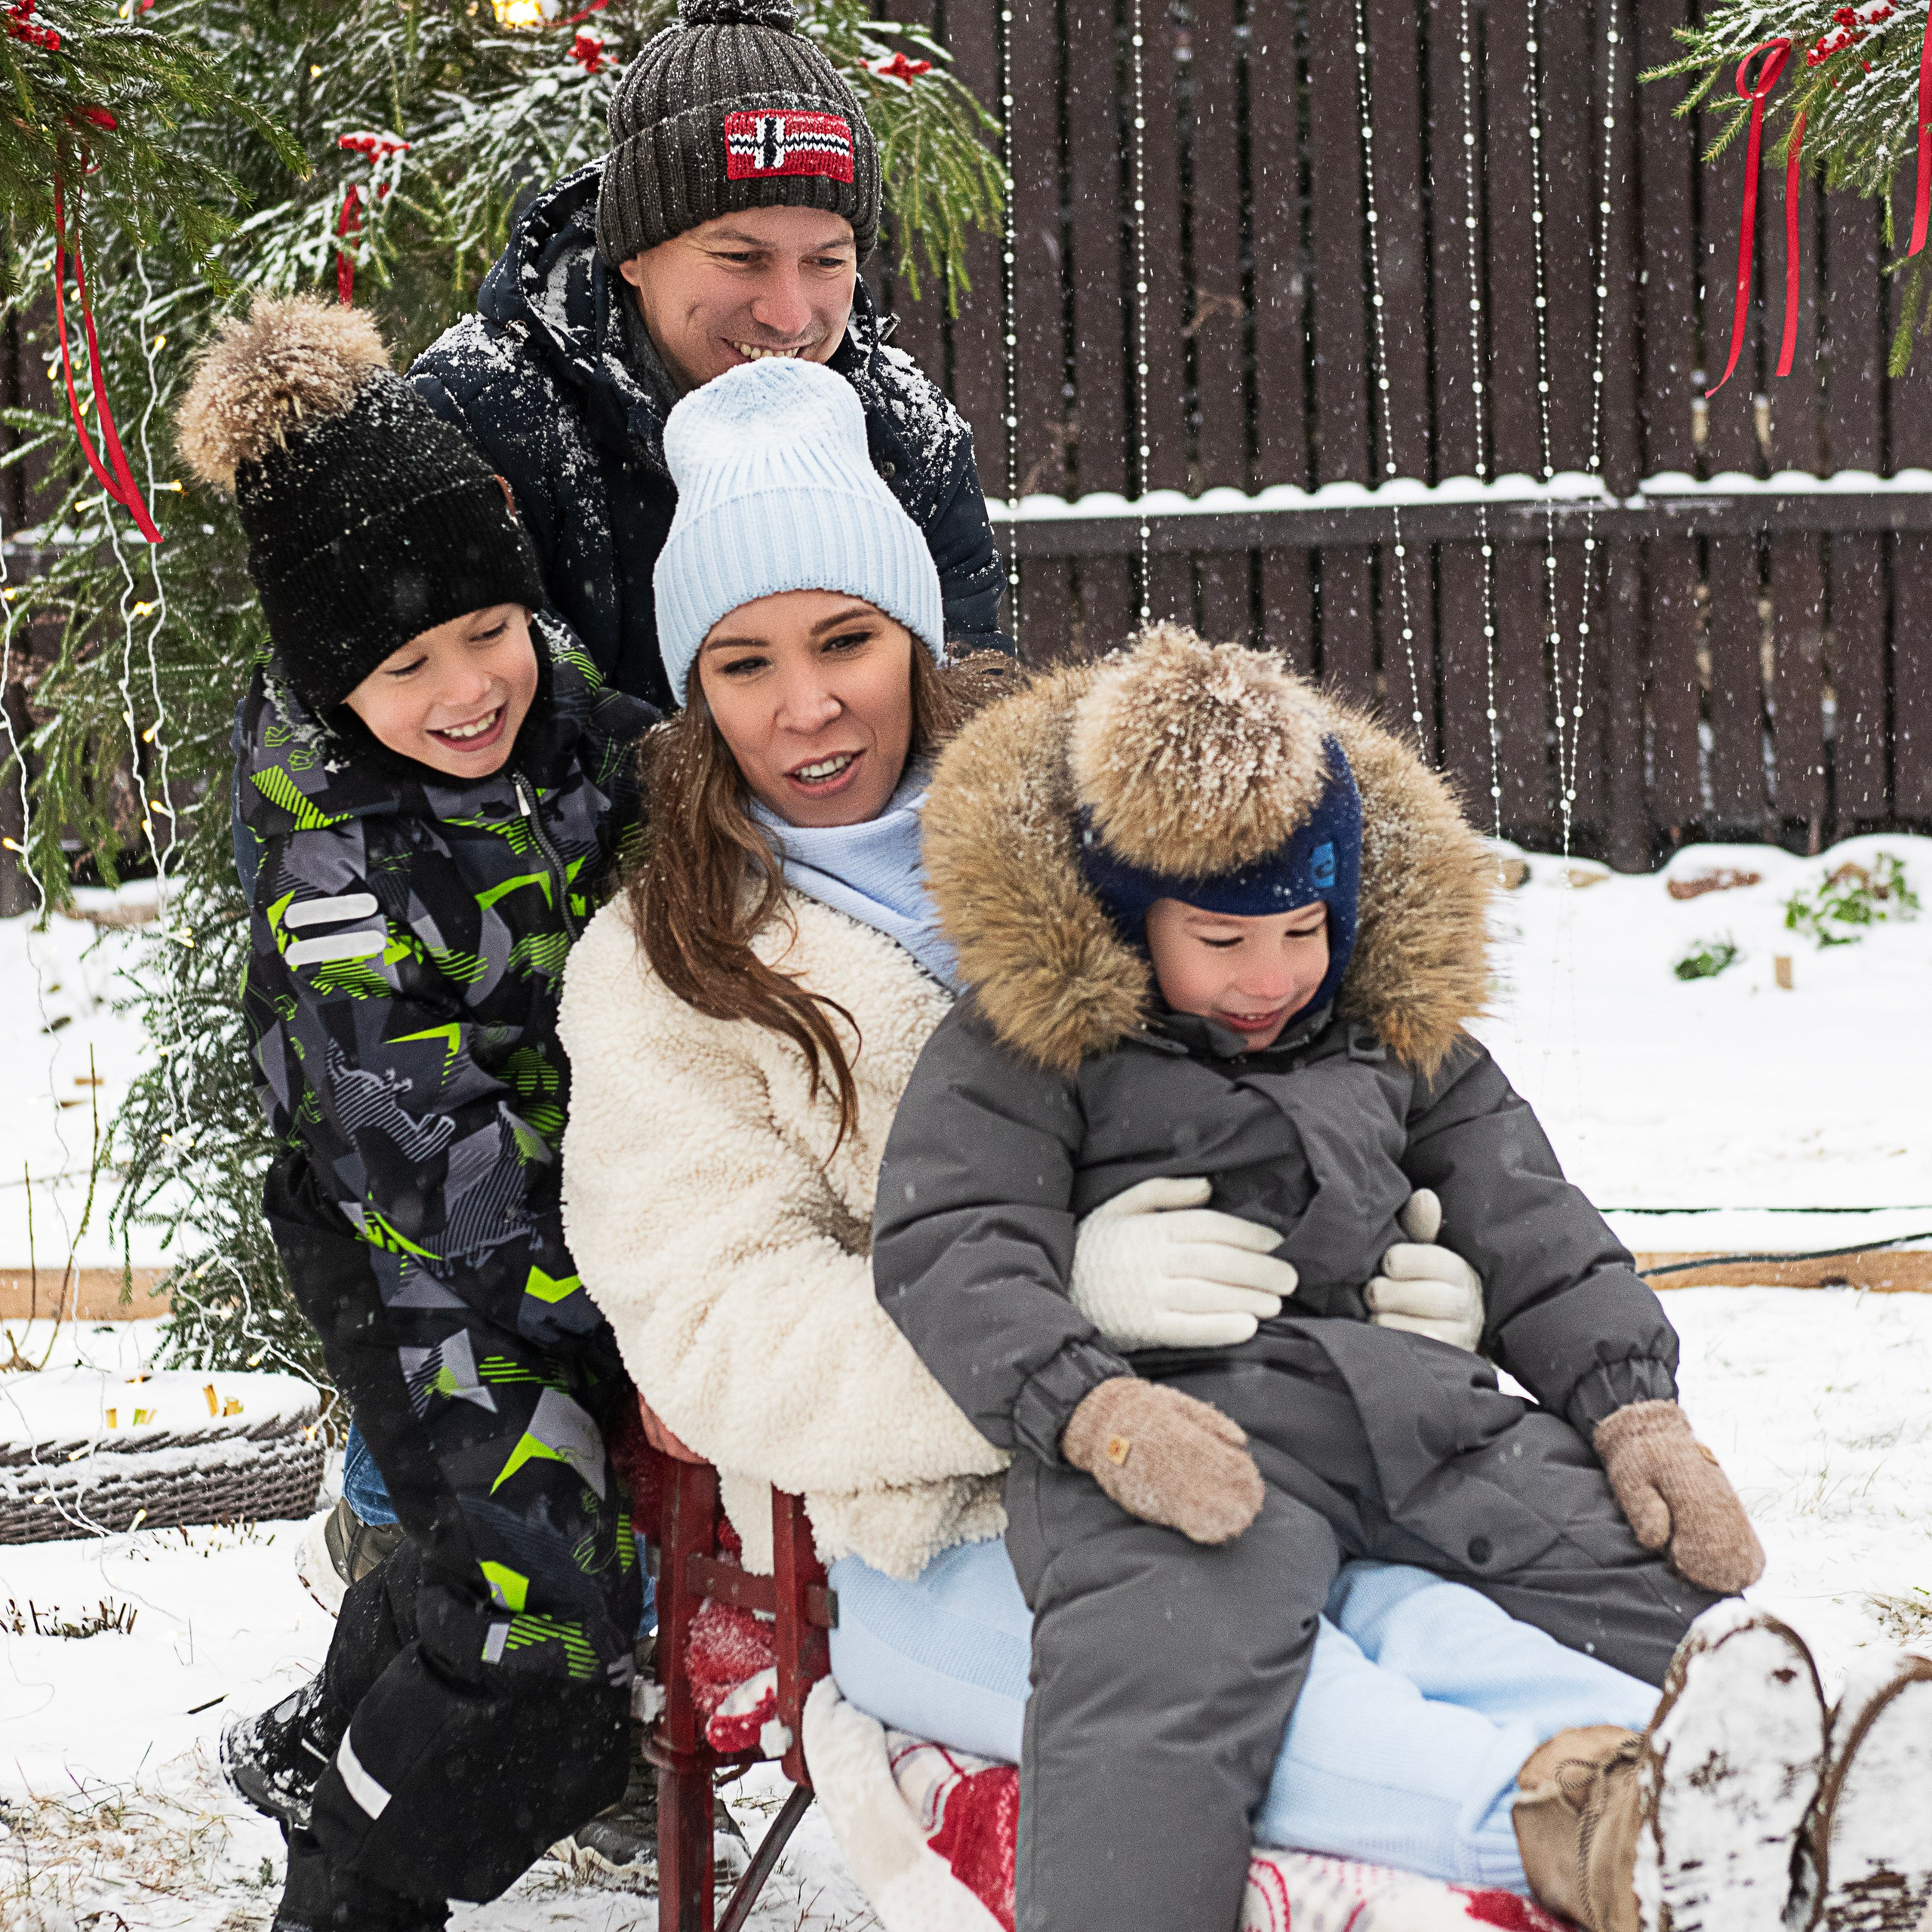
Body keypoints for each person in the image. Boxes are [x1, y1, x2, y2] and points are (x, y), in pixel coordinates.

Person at [552, 354, 1712, 1922]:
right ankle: (1591, 1835)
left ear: (914, 635)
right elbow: (709, 1314)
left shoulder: (1106, 833)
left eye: (844, 640)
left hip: (1290, 1418)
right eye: (744, 662)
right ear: (696, 690)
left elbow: (1369, 1057)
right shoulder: (666, 963)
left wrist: (1383, 1267)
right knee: (1209, 1696)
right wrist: (1056, 1327)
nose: (805, 702)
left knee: (1460, 1631)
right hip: (931, 1518)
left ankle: (1754, 1789)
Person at [870, 623, 1932, 1932]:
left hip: (1416, 1409)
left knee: (1659, 1594)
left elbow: (1525, 1208)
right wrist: (1090, 1404)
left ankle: (1831, 1813)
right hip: (1188, 1427)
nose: (1271, 980)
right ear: (1129, 915)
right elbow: (950, 1239)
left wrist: (1630, 1405)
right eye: (1221, 941)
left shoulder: (1392, 1032)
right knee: (1156, 1678)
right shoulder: (1029, 1043)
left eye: (1303, 930)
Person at [179, 294, 653, 1932]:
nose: (470, 688)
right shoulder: (334, 851)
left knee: (493, 1565)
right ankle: (355, 1882)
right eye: (406, 662)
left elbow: (677, 811)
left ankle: (333, 1743)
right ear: (333, 674)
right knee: (546, 1607)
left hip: (565, 1215)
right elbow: (424, 1145)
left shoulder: (569, 707)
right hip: (411, 1243)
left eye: (488, 629)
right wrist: (620, 1300)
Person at [408, 0, 1008, 712]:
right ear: (632, 253)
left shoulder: (907, 437)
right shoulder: (472, 422)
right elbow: (388, 766)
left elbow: (968, 738)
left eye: (826, 261)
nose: (788, 315)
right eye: (739, 257)